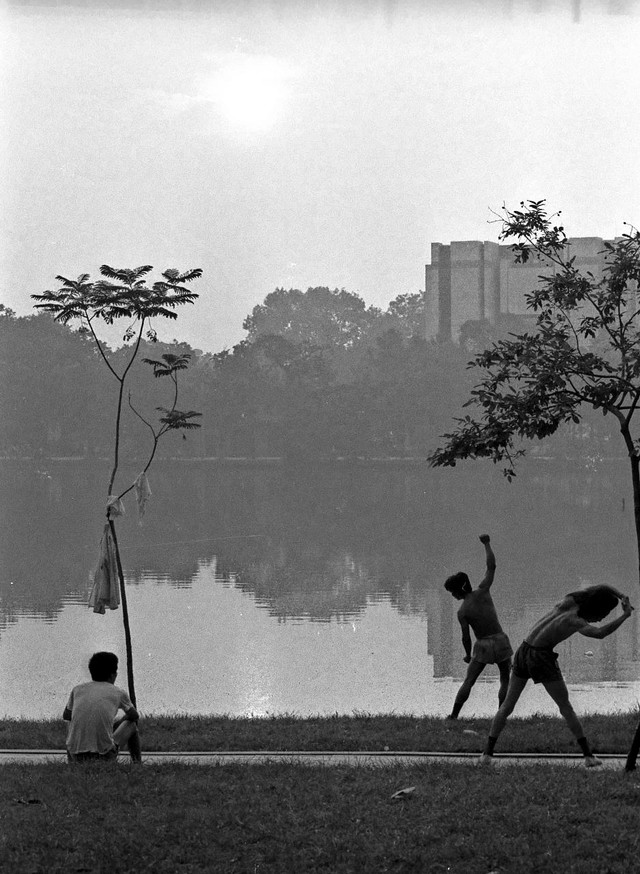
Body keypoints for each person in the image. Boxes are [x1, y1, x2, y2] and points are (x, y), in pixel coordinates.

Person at [480, 585, 634, 767]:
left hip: (524, 649)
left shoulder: (569, 599)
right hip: (540, 656)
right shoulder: (575, 621)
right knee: (565, 707)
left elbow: (600, 587)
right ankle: (588, 756)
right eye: (603, 614)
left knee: (507, 705)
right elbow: (599, 633)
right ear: (596, 609)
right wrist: (624, 616)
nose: (601, 619)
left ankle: (486, 754)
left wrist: (621, 595)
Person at [444, 534, 513, 719]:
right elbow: (491, 567)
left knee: (469, 680)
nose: (452, 596)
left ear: (459, 589)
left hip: (482, 645)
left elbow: (466, 637)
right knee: (505, 678)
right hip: (500, 640)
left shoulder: (463, 611)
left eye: (452, 592)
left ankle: (454, 715)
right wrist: (487, 544)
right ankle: (501, 715)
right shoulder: (483, 591)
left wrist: (468, 654)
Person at [63, 651, 141, 763]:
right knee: (132, 725)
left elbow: (66, 715)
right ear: (113, 674)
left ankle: (72, 758)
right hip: (104, 756)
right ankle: (137, 763)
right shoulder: (118, 692)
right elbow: (134, 716)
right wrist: (119, 722)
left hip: (75, 756)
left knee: (71, 720)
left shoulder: (77, 690)